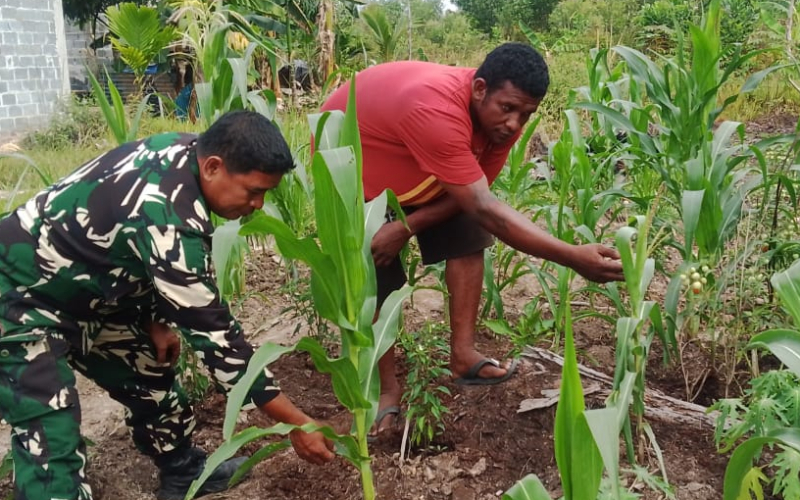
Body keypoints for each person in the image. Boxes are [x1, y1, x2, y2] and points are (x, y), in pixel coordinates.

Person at [0, 111, 335, 500]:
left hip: (93, 294)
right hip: (19, 297)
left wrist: (156, 318)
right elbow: (222, 346)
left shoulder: (185, 151)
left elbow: (141, 252)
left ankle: (182, 471)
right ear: (213, 167)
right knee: (50, 429)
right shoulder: (168, 217)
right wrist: (296, 424)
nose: (258, 205)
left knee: (150, 374)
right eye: (253, 191)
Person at [320, 43, 625, 434]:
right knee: (375, 269)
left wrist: (407, 226)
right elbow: (483, 204)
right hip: (357, 165)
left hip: (415, 166)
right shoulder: (435, 111)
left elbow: (475, 198)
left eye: (526, 114)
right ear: (480, 89)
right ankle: (384, 388)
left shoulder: (498, 121)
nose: (515, 124)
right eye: (508, 109)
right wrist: (572, 256)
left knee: (468, 231)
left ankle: (463, 355)